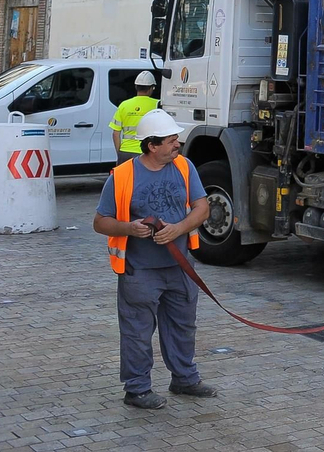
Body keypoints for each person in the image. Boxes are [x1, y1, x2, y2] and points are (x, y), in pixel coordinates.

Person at [92, 108, 217, 408]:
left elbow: (202, 208)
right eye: (172, 140)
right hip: (140, 272)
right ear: (152, 145)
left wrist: (179, 229)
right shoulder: (122, 177)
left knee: (183, 326)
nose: (178, 144)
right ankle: (137, 389)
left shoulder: (185, 167)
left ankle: (184, 379)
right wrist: (129, 228)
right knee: (137, 332)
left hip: (180, 268)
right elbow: (100, 221)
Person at [111, 71, 162, 164]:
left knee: (124, 178)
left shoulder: (124, 105)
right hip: (147, 152)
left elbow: (115, 133)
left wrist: (120, 152)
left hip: (125, 151)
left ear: (136, 87)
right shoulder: (157, 104)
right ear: (152, 88)